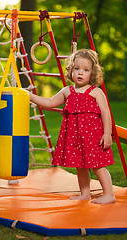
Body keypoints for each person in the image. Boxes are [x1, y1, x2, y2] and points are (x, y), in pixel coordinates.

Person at [29, 49, 115, 204]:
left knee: (97, 166)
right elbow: (49, 103)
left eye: (85, 70)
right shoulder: (67, 91)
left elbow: (105, 113)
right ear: (70, 70)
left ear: (92, 73)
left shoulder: (95, 92)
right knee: (80, 166)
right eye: (77, 69)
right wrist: (31, 96)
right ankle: (85, 193)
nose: (80, 73)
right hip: (74, 137)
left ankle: (109, 194)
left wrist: (107, 133)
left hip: (92, 137)